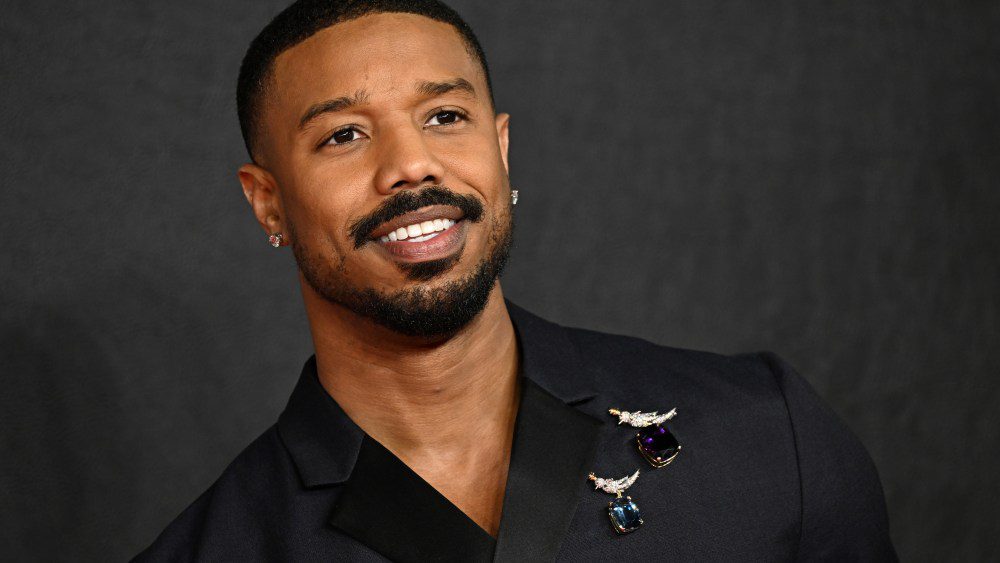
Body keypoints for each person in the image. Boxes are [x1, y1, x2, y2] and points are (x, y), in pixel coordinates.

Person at [134, 0, 898, 560]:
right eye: (344, 135)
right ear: (269, 201)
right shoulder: (214, 547)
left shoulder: (764, 430)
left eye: (444, 116)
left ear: (500, 150)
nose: (410, 164)